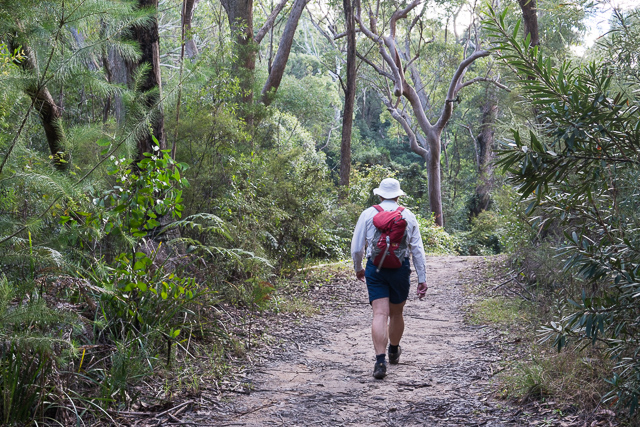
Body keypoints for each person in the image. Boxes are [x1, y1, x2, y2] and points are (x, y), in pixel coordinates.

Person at [351, 178, 428, 379]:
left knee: (379, 314)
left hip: (375, 268)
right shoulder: (408, 215)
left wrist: (358, 268)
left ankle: (380, 361)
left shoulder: (368, 214)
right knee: (396, 313)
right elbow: (417, 249)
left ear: (380, 194)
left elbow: (357, 247)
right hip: (399, 268)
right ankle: (393, 350)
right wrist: (422, 277)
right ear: (398, 195)